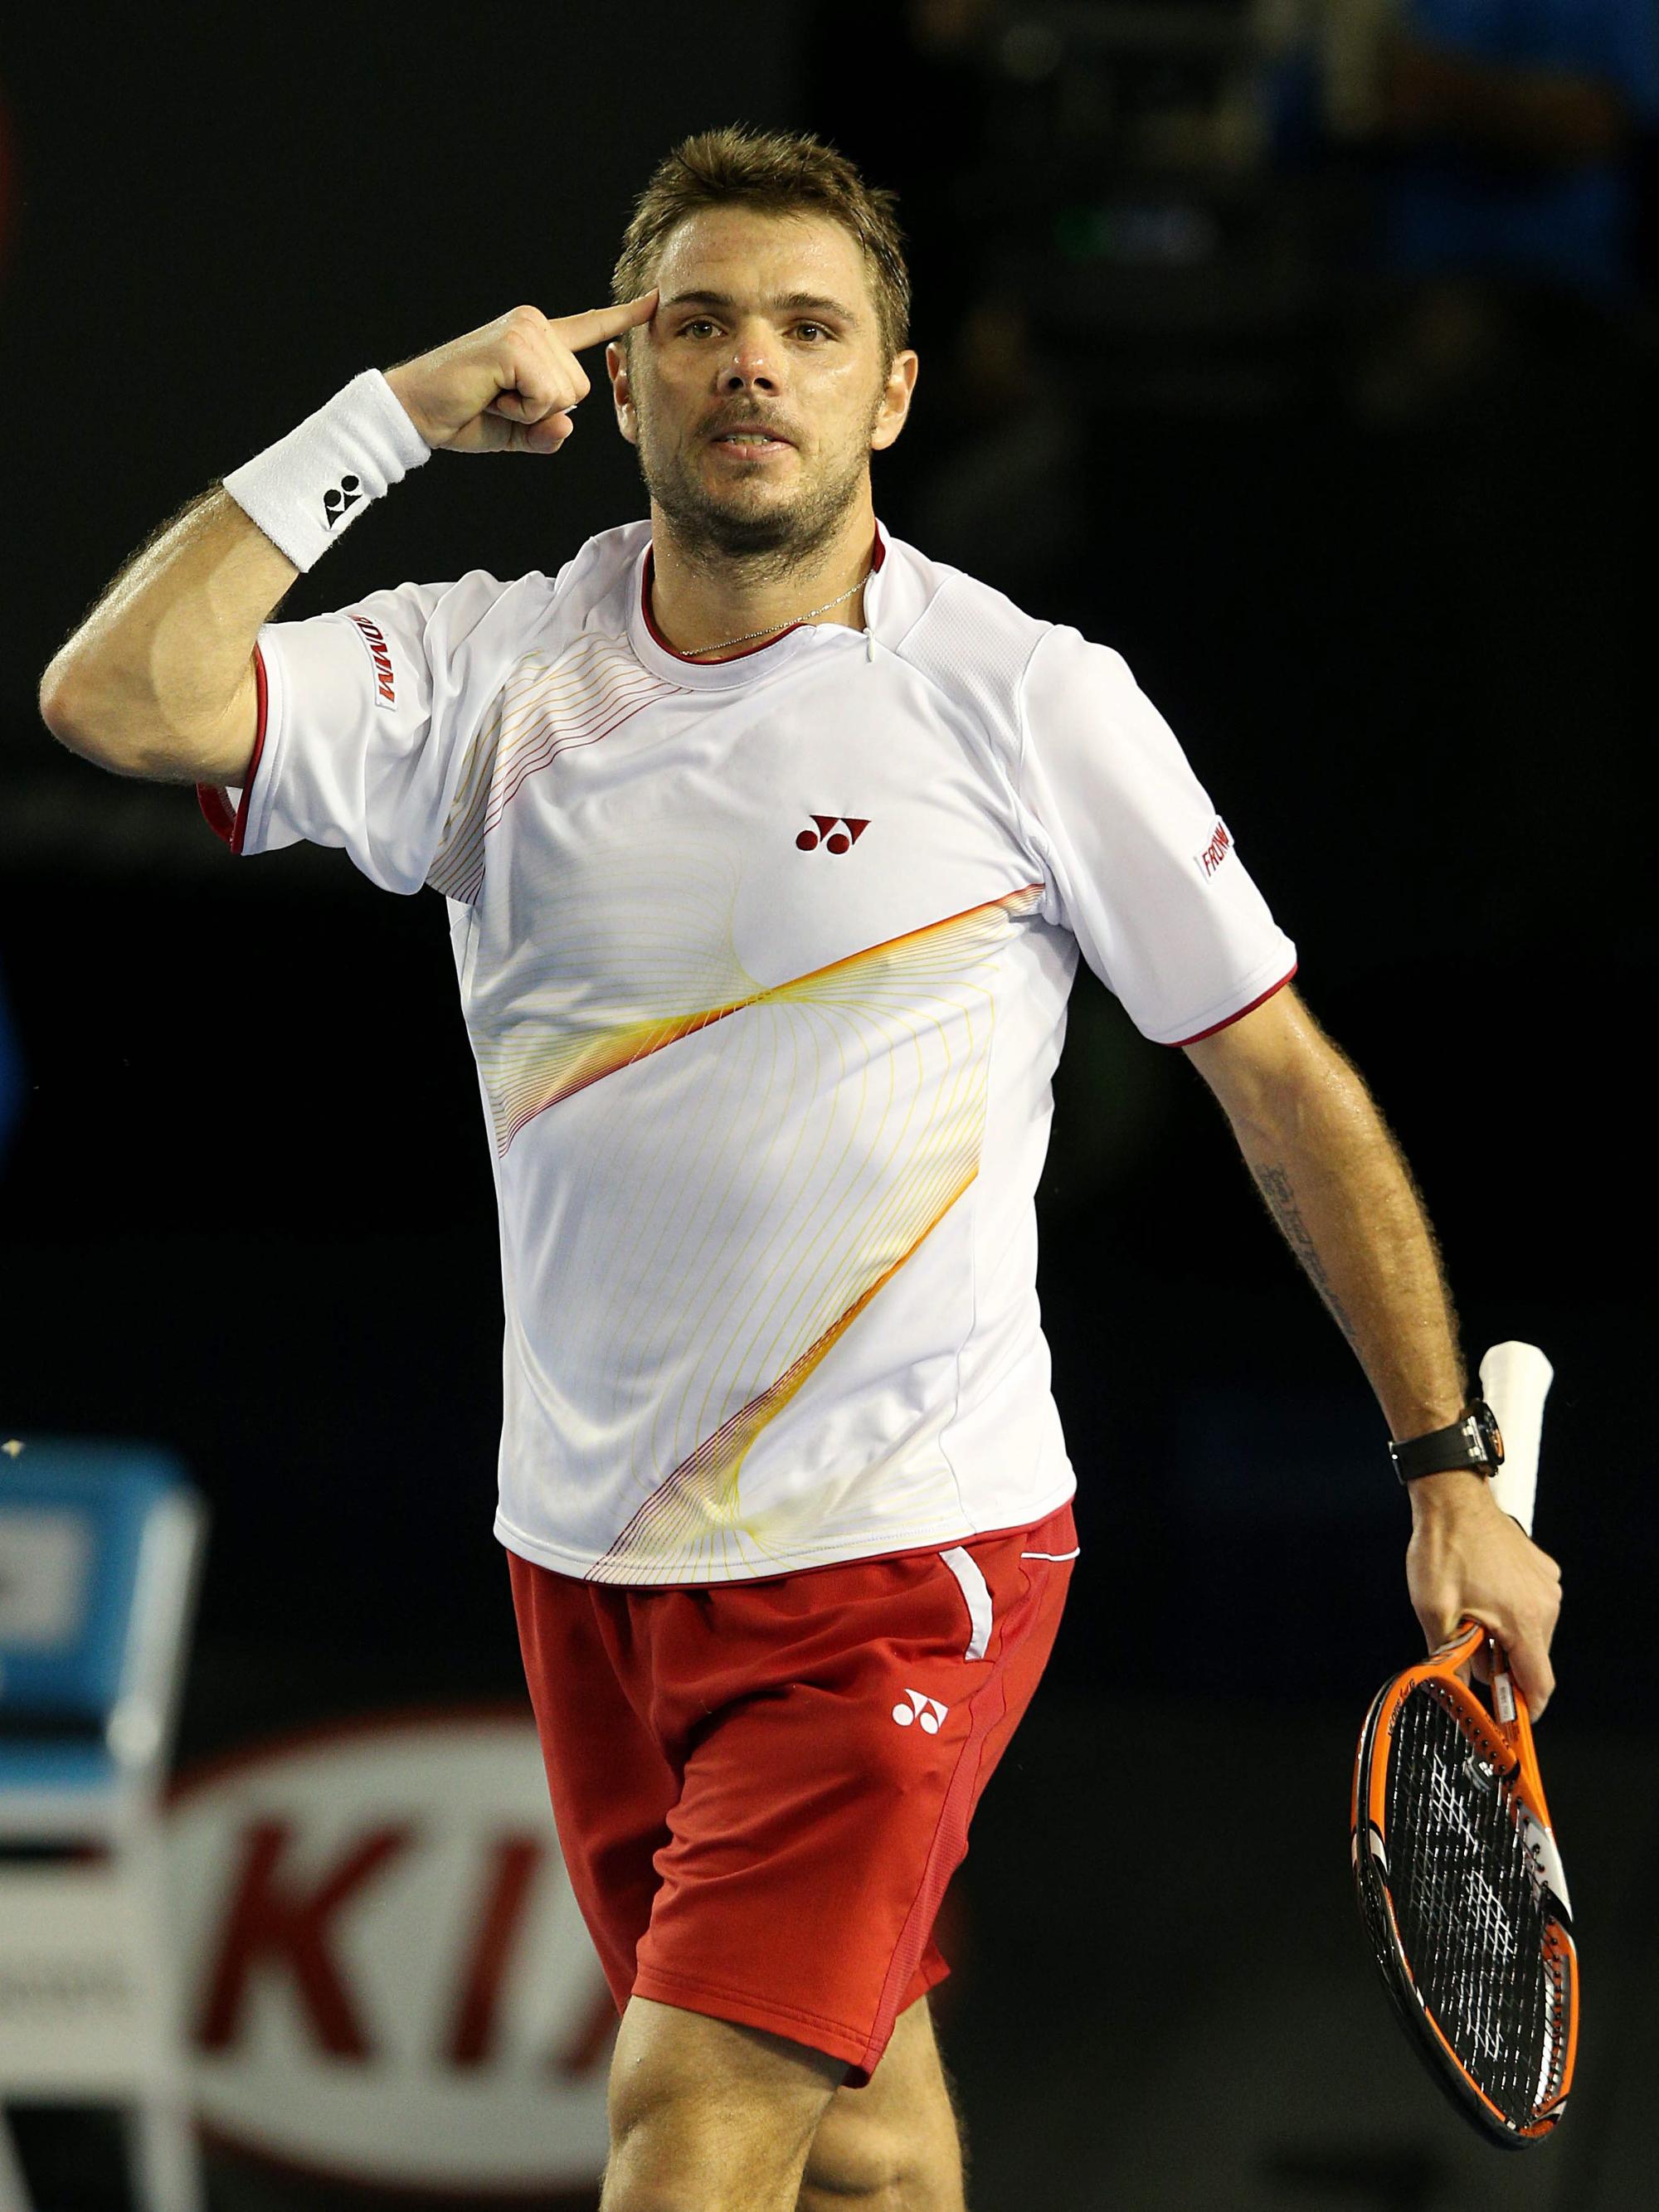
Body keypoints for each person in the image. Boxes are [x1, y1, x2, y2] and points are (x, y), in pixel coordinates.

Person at [38, 124, 1561, 2212]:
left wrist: (1443, 1462)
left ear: (894, 390)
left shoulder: (1027, 701)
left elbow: (1279, 1077)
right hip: (587, 1560)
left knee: (691, 2135)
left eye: (810, 327)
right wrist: (386, 417)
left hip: (904, 1557)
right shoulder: (489, 669)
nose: (754, 362)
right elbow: (117, 696)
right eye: (700, 322)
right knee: (867, 2155)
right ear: (622, 369)